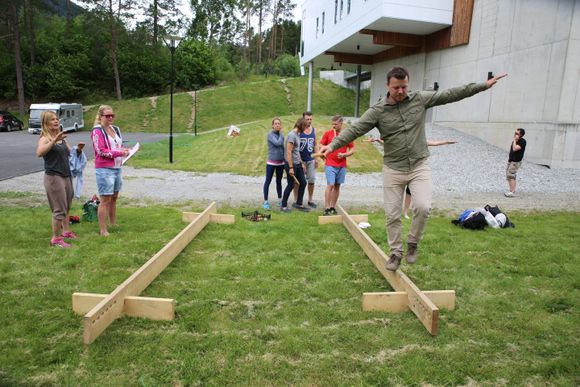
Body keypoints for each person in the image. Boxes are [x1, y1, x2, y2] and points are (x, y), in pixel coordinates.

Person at [320, 66, 507, 271]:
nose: (401, 91)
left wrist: (482, 86)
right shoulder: (378, 111)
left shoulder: (419, 99)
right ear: (388, 86)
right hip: (393, 169)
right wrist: (332, 145)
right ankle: (395, 253)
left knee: (423, 207)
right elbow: (355, 130)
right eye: (396, 87)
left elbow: (450, 94)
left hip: (419, 165)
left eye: (404, 87)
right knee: (392, 215)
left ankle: (412, 244)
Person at [368, 138, 457, 218]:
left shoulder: (420, 141)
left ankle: (406, 212)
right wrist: (377, 140)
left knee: (409, 193)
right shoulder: (403, 141)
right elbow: (387, 144)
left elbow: (434, 143)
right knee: (396, 195)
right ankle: (396, 214)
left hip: (414, 172)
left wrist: (446, 141)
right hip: (400, 172)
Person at [36, 111, 75, 247]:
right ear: (46, 123)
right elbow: (39, 152)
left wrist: (79, 150)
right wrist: (53, 140)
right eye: (52, 119)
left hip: (66, 174)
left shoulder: (61, 137)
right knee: (59, 209)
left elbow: (71, 152)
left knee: (67, 205)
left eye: (57, 119)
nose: (56, 121)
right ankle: (56, 239)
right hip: (53, 176)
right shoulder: (45, 137)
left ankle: (66, 231)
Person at [91, 105, 130, 236]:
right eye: (107, 116)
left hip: (117, 167)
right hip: (105, 169)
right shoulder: (97, 131)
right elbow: (101, 151)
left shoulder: (116, 129)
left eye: (112, 115)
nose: (111, 118)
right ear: (101, 117)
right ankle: (103, 230)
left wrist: (125, 151)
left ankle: (113, 223)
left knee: (114, 198)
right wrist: (119, 153)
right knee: (105, 199)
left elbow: (119, 145)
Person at [320, 115, 355, 216]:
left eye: (335, 124)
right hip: (330, 163)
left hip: (342, 164)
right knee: (330, 184)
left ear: (341, 123)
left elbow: (352, 149)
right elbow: (321, 145)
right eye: (332, 124)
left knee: (337, 186)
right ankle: (326, 208)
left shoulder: (347, 135)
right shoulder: (328, 133)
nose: (333, 126)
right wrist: (322, 151)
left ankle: (332, 207)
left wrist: (344, 154)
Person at [280, 118, 310, 212]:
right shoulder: (291, 135)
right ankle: (283, 206)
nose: (305, 129)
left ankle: (299, 204)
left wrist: (302, 163)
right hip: (291, 164)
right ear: (301, 125)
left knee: (303, 182)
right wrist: (291, 167)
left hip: (298, 164)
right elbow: (288, 152)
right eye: (305, 126)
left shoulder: (297, 135)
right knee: (291, 185)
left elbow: (296, 151)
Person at [263, 117, 285, 210]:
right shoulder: (270, 135)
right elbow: (277, 143)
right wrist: (280, 134)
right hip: (271, 162)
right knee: (268, 181)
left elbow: (282, 147)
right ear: (272, 126)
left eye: (279, 123)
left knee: (279, 181)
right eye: (275, 124)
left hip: (280, 163)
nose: (277, 125)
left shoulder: (281, 135)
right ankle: (265, 202)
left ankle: (280, 200)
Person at [297, 111, 318, 208]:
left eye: (310, 119)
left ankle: (310, 200)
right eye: (307, 119)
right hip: (300, 160)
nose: (309, 121)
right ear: (303, 119)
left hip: (310, 159)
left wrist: (316, 158)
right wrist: (300, 162)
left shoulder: (314, 130)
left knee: (311, 180)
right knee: (297, 181)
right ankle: (297, 200)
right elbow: (295, 147)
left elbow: (315, 144)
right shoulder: (299, 131)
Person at [505, 128, 526, 197]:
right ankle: (511, 190)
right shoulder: (516, 141)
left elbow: (515, 149)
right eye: (515, 133)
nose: (515, 135)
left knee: (511, 175)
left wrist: (515, 140)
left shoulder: (522, 141)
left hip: (515, 161)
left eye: (517, 133)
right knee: (508, 175)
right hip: (511, 160)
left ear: (521, 135)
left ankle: (512, 192)